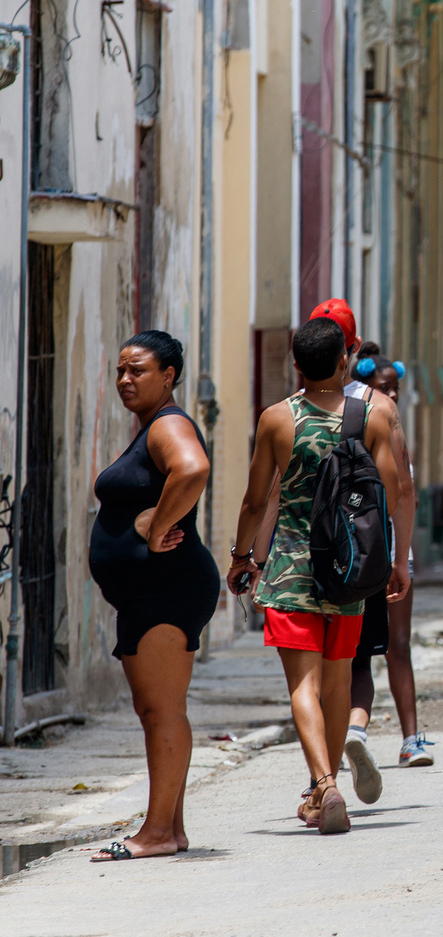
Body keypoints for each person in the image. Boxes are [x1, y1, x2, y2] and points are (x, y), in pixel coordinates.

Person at [224, 317, 403, 835]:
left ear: (296, 365)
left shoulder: (278, 419)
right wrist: (390, 558)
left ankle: (324, 785)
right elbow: (387, 491)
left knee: (302, 683)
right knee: (338, 679)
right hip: (347, 572)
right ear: (344, 361)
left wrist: (241, 557)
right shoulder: (369, 416)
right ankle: (324, 782)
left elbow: (257, 498)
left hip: (291, 571)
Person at [86, 332, 218, 861]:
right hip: (152, 593)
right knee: (157, 709)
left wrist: (153, 524)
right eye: (121, 370)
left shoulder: (168, 425)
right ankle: (171, 828)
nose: (125, 380)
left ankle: (158, 832)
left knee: (162, 710)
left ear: (168, 375)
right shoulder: (152, 429)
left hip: (167, 588)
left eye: (137, 370)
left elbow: (193, 469)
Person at [343, 352, 433, 809]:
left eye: (395, 385)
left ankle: (406, 736)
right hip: (384, 555)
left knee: (394, 646)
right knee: (367, 653)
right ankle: (376, 734)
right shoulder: (374, 421)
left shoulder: (385, 420)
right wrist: (401, 558)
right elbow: (403, 493)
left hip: (381, 554)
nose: (391, 392)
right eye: (384, 384)